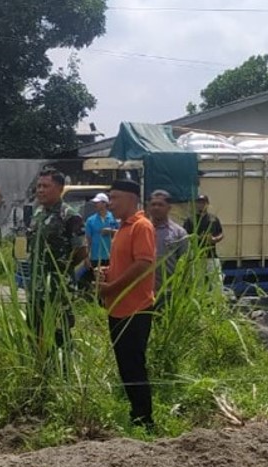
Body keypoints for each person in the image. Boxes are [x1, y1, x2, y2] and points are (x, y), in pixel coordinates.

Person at [97, 179, 156, 430]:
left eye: (115, 198)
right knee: (126, 366)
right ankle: (137, 414)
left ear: (132, 199)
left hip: (135, 308)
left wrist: (111, 287)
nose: (110, 203)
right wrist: (108, 272)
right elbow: (128, 262)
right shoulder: (122, 227)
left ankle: (145, 420)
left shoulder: (141, 226)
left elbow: (144, 264)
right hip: (118, 308)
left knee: (134, 366)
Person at [25, 167, 87, 346]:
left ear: (60, 188)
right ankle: (40, 370)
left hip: (58, 288)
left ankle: (63, 371)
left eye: (46, 186)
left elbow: (81, 252)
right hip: (36, 287)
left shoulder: (69, 217)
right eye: (38, 186)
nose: (40, 190)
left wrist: (60, 268)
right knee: (35, 333)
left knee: (60, 335)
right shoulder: (37, 214)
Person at [147, 189, 189, 296]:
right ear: (149, 207)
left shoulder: (179, 233)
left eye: (160, 204)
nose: (156, 207)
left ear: (169, 208)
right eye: (153, 204)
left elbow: (186, 263)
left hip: (169, 292)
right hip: (144, 291)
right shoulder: (141, 230)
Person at [80, 191, 117, 290]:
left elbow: (121, 233)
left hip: (111, 256)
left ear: (104, 204)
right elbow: (87, 240)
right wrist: (86, 257)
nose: (95, 205)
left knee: (111, 281)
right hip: (96, 257)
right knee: (97, 283)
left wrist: (110, 231)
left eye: (98, 203)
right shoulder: (90, 220)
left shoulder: (113, 218)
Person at [182, 194, 224, 275]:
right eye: (199, 203)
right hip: (196, 257)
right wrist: (196, 238)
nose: (201, 205)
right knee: (198, 284)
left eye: (203, 203)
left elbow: (221, 233)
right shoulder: (190, 220)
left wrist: (214, 239)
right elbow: (185, 236)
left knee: (217, 282)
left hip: (212, 256)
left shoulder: (213, 219)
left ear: (207, 204)